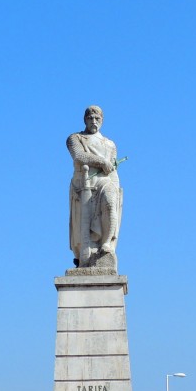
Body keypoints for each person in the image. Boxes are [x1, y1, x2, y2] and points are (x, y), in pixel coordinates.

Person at [67, 105, 122, 269]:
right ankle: (87, 255)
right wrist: (101, 162)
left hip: (105, 181)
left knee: (111, 203)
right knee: (83, 227)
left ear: (102, 121)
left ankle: (106, 244)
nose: (93, 121)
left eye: (97, 118)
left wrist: (115, 187)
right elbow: (79, 156)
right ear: (85, 120)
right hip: (83, 184)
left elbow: (112, 169)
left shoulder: (110, 144)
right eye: (90, 118)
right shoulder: (75, 138)